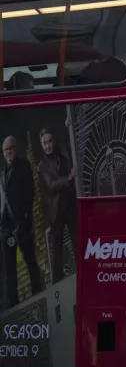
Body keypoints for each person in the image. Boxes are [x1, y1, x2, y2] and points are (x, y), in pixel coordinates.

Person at [0, 136, 42, 309]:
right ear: (3, 153)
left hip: (22, 223)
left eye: (11, 148)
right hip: (7, 229)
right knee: (10, 270)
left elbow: (30, 191)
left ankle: (39, 295)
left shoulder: (23, 165)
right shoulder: (2, 173)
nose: (9, 151)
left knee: (31, 261)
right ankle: (12, 306)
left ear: (15, 148)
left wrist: (25, 217)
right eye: (5, 149)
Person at [36, 128, 75, 284]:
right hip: (55, 212)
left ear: (54, 141)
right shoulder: (41, 166)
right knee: (56, 254)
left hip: (70, 206)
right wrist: (68, 178)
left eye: (50, 141)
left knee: (77, 242)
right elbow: (50, 186)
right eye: (44, 143)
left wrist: (68, 126)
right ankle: (57, 286)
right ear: (41, 145)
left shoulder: (63, 153)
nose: (48, 146)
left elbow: (69, 144)